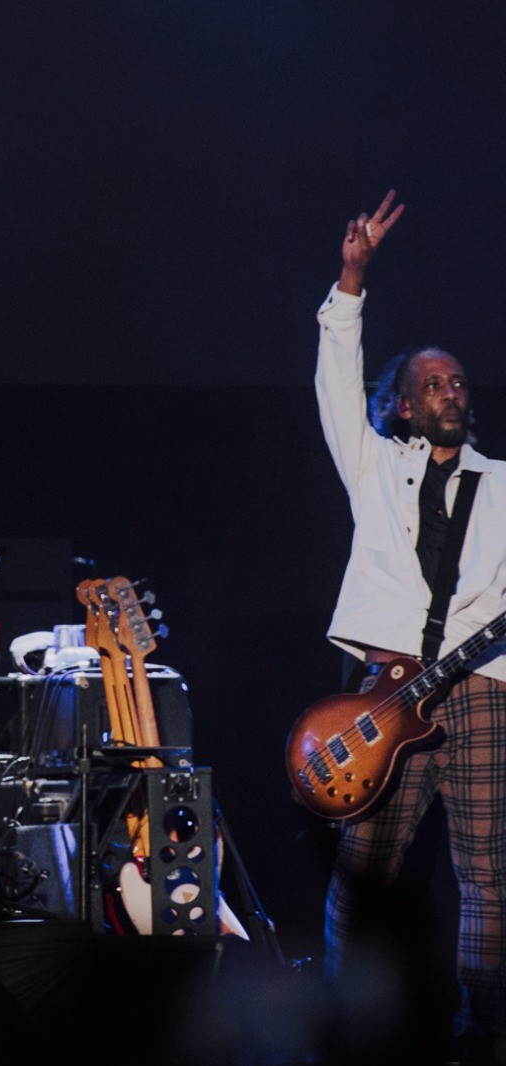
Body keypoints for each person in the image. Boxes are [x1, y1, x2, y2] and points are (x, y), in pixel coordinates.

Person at [316, 190, 506, 1064]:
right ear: (401, 406)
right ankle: (345, 1021)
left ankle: (482, 1033)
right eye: (433, 384)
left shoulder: (502, 485)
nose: (450, 392)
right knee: (364, 866)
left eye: (458, 381)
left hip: (482, 690)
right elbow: (336, 380)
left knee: (488, 876)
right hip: (388, 691)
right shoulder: (374, 468)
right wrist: (351, 281)